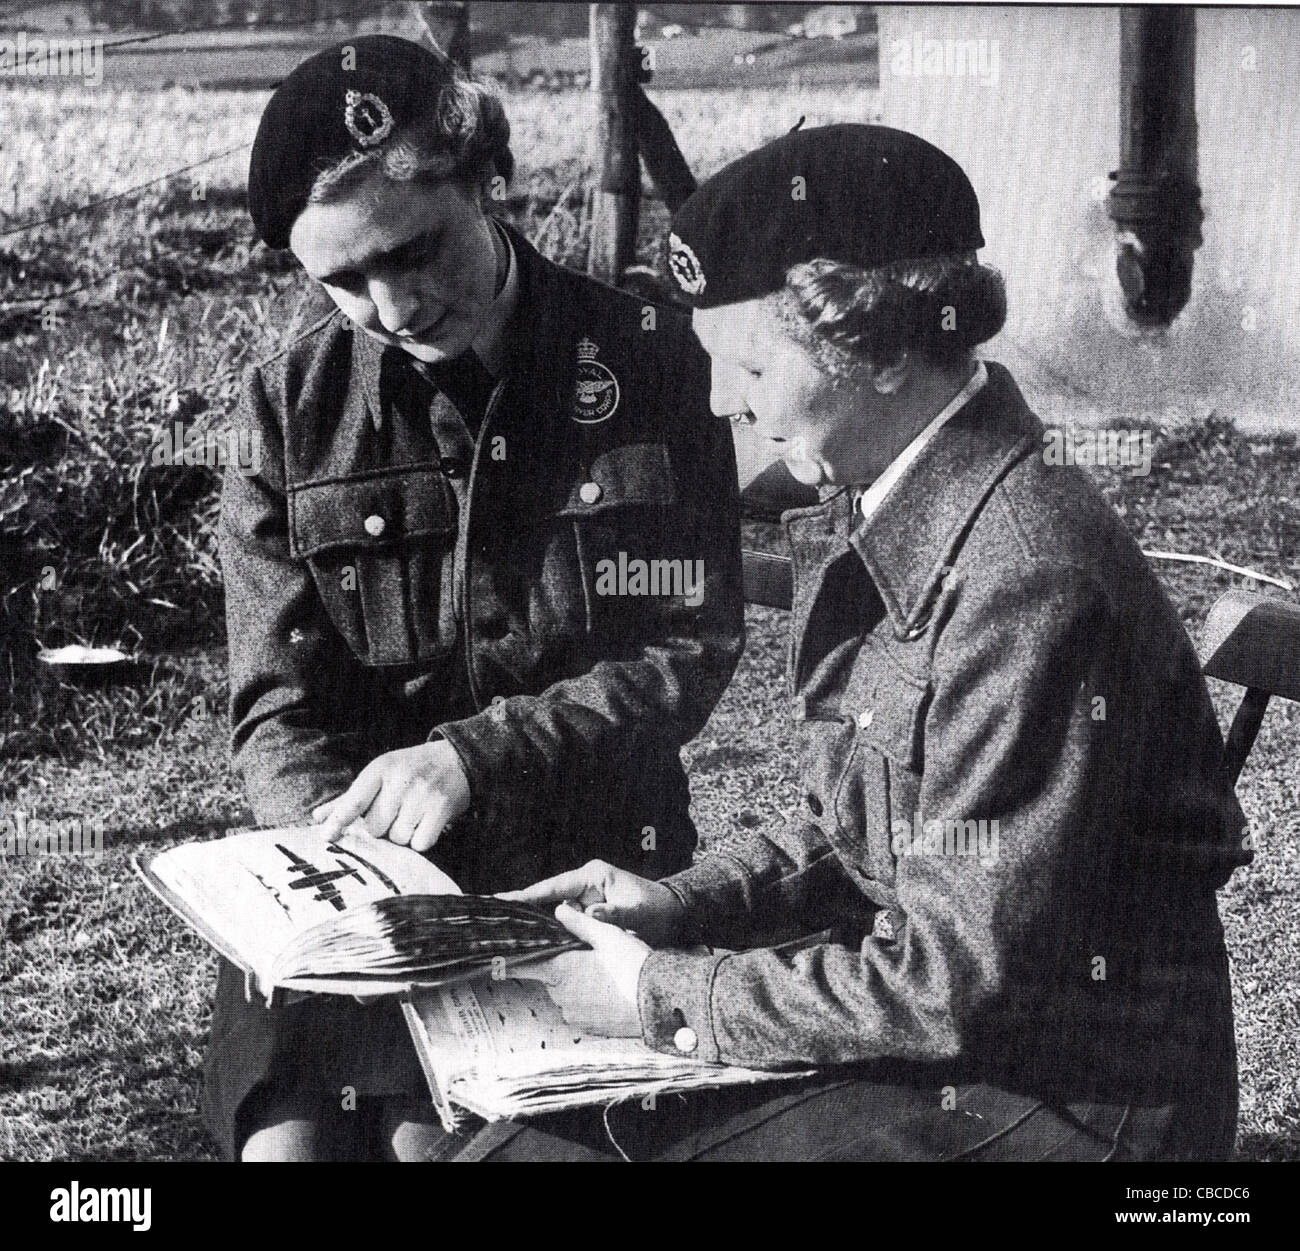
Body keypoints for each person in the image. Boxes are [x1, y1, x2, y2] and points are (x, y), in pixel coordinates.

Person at [443, 123, 1251, 1162]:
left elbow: (949, 985)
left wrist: (658, 993)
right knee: (519, 1139)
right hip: (980, 1048)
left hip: (1085, 1098)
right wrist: (681, 906)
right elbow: (878, 831)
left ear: (870, 350)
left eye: (746, 364)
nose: (719, 402)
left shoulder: (1023, 577)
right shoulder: (896, 501)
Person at [206, 35, 744, 1161]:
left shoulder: (646, 360)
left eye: (414, 250)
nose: (393, 305)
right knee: (288, 1152)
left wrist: (473, 757)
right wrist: (339, 860)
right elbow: (276, 706)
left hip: (578, 857)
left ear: (482, 177)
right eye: (342, 281)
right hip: (353, 897)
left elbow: (689, 648)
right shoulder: (284, 412)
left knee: (439, 1151)